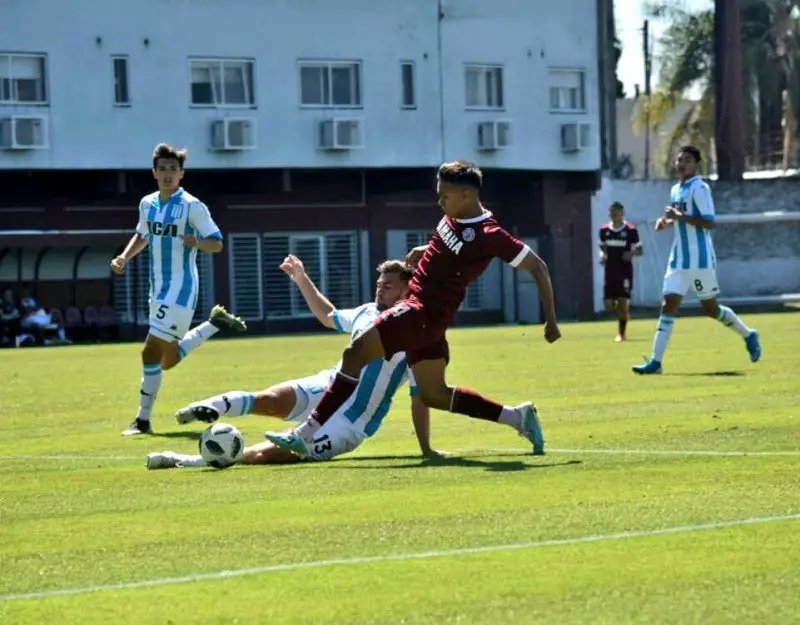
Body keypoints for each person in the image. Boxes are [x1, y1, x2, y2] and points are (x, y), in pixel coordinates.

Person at [266, 160, 561, 459]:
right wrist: (426, 249)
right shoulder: (453, 215)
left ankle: (304, 433)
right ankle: (517, 417)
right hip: (429, 321)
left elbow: (539, 267)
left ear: (467, 196)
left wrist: (551, 321)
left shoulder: (489, 234)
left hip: (420, 312)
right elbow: (448, 247)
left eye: (444, 195)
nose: (439, 200)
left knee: (354, 352)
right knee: (434, 395)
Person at [146, 256, 439, 469]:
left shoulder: (415, 335)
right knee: (272, 400)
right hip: (327, 386)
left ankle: (185, 460)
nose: (379, 290)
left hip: (352, 422)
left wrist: (426, 449)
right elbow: (329, 316)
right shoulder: (366, 312)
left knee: (272, 455)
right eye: (379, 284)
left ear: (405, 290)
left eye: (387, 286)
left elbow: (420, 397)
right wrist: (301, 277)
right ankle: (214, 405)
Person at [110, 143, 247, 436]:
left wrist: (196, 242)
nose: (168, 174)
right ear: (154, 173)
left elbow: (217, 242)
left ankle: (142, 421)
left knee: (149, 353)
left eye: (174, 169)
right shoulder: (147, 203)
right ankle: (213, 324)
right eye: (163, 169)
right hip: (157, 289)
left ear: (182, 173)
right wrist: (124, 256)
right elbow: (142, 235)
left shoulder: (192, 206)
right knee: (166, 360)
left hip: (181, 290)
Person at [633, 145, 761, 375]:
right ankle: (655, 362)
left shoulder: (700, 189)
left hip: (700, 260)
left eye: (688, 160)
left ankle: (748, 334)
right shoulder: (675, 190)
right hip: (678, 260)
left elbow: (709, 222)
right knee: (668, 305)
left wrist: (679, 216)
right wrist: (667, 223)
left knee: (711, 309)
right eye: (680, 159)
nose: (682, 163)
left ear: (696, 165)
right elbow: (679, 218)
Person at [598, 201, 642, 342]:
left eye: (617, 211)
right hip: (609, 273)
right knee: (609, 306)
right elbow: (602, 248)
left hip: (624, 273)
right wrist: (601, 256)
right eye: (612, 211)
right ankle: (624, 314)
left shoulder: (630, 230)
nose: (614, 214)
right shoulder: (604, 230)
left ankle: (621, 334)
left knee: (622, 302)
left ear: (622, 213)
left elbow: (640, 249)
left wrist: (631, 253)